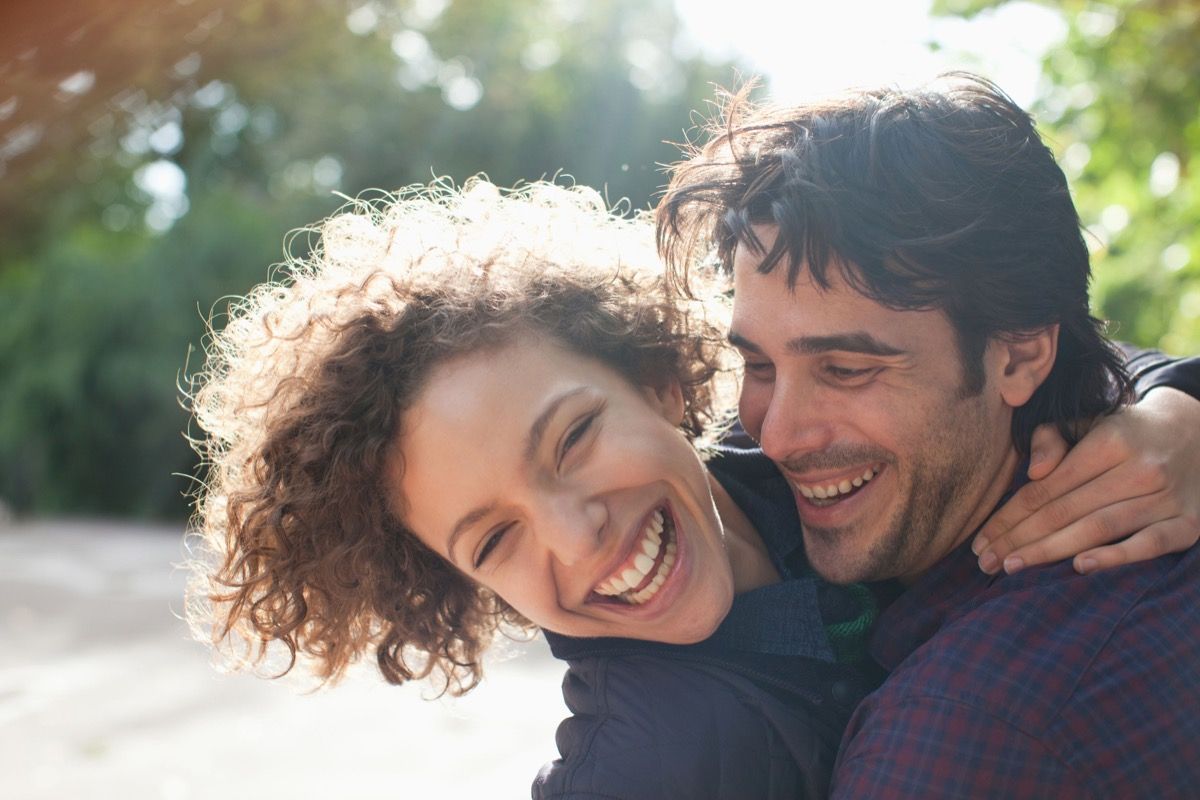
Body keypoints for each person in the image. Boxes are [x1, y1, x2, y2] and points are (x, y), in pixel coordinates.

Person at [188, 177, 1199, 798]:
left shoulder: (805, 470)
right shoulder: (643, 764)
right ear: (463, 583)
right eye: (494, 539)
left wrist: (1173, 404)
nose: (576, 535)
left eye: (574, 437)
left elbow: (1009, 365)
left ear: (661, 377)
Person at [656, 72, 1200, 797]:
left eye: (846, 368)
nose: (779, 435)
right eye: (757, 363)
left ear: (1020, 355)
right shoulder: (1163, 484)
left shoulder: (951, 738)